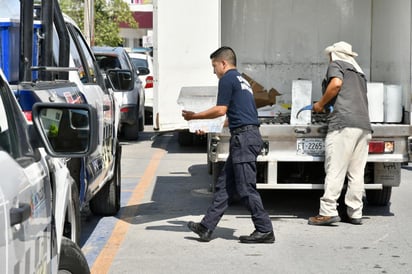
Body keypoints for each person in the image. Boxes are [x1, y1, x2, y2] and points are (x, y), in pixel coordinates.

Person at [182, 46, 274, 243]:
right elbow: (233, 118)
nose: (214, 71)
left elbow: (220, 110)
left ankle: (265, 229)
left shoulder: (227, 79)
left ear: (223, 63)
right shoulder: (242, 81)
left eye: (214, 66)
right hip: (246, 136)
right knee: (224, 186)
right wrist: (205, 127)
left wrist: (194, 116)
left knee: (245, 188)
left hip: (244, 139)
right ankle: (206, 227)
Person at [308, 41, 372, 226]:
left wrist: (319, 104)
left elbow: (336, 84)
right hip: (363, 125)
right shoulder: (359, 74)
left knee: (335, 169)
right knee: (356, 173)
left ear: (334, 55)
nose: (329, 58)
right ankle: (355, 213)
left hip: (343, 124)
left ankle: (327, 212)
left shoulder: (336, 65)